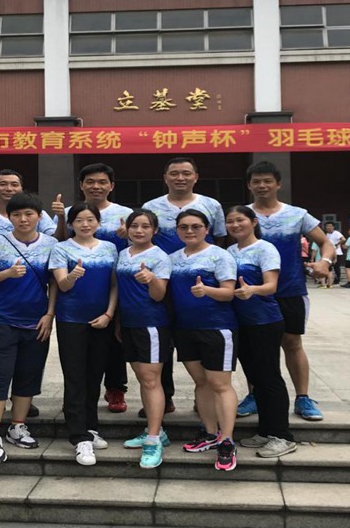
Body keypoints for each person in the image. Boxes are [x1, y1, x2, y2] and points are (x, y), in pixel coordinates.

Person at [246, 161, 334, 421]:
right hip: (254, 292)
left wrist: (324, 262)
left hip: (290, 290)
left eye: (267, 181)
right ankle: (255, 395)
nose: (262, 186)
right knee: (255, 347)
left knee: (292, 343)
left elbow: (326, 242)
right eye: (256, 181)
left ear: (278, 184)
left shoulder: (297, 214)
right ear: (249, 185)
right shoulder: (243, 215)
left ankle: (303, 397)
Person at [141, 156, 226, 417]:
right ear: (165, 178)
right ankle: (164, 397)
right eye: (174, 173)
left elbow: (220, 240)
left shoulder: (211, 205)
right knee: (162, 342)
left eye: (186, 173)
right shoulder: (151, 206)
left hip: (201, 285)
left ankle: (205, 398)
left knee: (200, 343)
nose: (180, 178)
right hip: (162, 282)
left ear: (196, 177)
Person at [0, 192, 57, 464]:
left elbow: (54, 282)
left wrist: (50, 314)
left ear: (39, 217)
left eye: (29, 214)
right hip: (0, 320)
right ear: (9, 217)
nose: (23, 219)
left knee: (28, 376)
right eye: (17, 214)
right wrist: (7, 273)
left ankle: (17, 426)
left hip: (36, 322)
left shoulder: (51, 244)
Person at [52, 163, 132, 413]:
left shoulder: (125, 213)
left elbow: (140, 242)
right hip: (80, 288)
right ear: (81, 185)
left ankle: (116, 387)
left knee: (115, 339)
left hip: (117, 282)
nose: (96, 186)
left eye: (102, 182)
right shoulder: (67, 212)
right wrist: (62, 219)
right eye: (90, 181)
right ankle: (78, 401)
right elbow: (58, 242)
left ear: (111, 186)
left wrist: (128, 235)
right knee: (80, 352)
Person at [49, 202, 119, 467]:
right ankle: (79, 436)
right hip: (71, 321)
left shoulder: (109, 248)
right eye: (79, 220)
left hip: (101, 320)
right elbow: (62, 286)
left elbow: (114, 285)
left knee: (94, 375)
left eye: (90, 219)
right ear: (71, 224)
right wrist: (73, 276)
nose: (85, 224)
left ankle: (91, 427)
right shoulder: (61, 248)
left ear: (98, 223)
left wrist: (109, 314)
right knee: (75, 376)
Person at [170, 209, 238, 471]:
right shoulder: (172, 258)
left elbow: (229, 293)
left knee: (220, 384)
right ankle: (210, 433)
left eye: (196, 226)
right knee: (201, 382)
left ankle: (227, 440)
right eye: (184, 227)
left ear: (207, 229)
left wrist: (206, 290)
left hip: (217, 328)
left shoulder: (220, 255)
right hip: (185, 328)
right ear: (177, 230)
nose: (190, 231)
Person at [225, 205, 296, 458]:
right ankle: (266, 431)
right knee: (256, 378)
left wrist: (252, 290)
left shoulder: (265, 249)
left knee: (269, 377)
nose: (235, 225)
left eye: (240, 220)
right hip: (240, 322)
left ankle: (282, 436)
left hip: (264, 321)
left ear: (253, 222)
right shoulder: (230, 251)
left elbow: (271, 286)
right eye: (230, 221)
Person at [117, 209, 172, 469]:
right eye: (134, 226)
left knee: (151, 380)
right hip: (128, 324)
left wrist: (151, 279)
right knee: (143, 378)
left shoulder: (160, 256)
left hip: (151, 324)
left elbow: (159, 295)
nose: (139, 231)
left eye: (145, 226)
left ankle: (153, 439)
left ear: (155, 230)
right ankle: (156, 429)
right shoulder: (123, 254)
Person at [0, 169, 56, 244]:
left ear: (21, 189)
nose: (9, 189)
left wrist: (61, 216)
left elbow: (56, 239)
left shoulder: (38, 214)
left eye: (14, 185)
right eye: (3, 184)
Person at [324, 222, 345, 286]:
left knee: (336, 267)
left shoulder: (336, 233)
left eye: (330, 226)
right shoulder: (326, 234)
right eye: (327, 226)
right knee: (328, 267)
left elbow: (343, 239)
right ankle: (328, 280)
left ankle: (337, 281)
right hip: (329, 253)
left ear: (333, 227)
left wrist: (337, 244)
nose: (328, 227)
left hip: (337, 253)